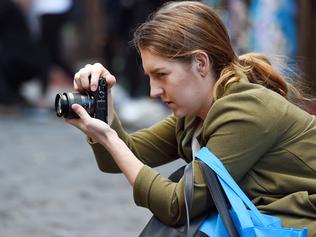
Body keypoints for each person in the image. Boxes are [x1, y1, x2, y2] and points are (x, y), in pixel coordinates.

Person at [65, 1, 316, 235]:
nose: (154, 91)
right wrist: (102, 112)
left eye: (162, 74)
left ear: (201, 63)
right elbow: (117, 157)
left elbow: (177, 206)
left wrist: (109, 136)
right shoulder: (196, 114)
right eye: (149, 77)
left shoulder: (246, 109)